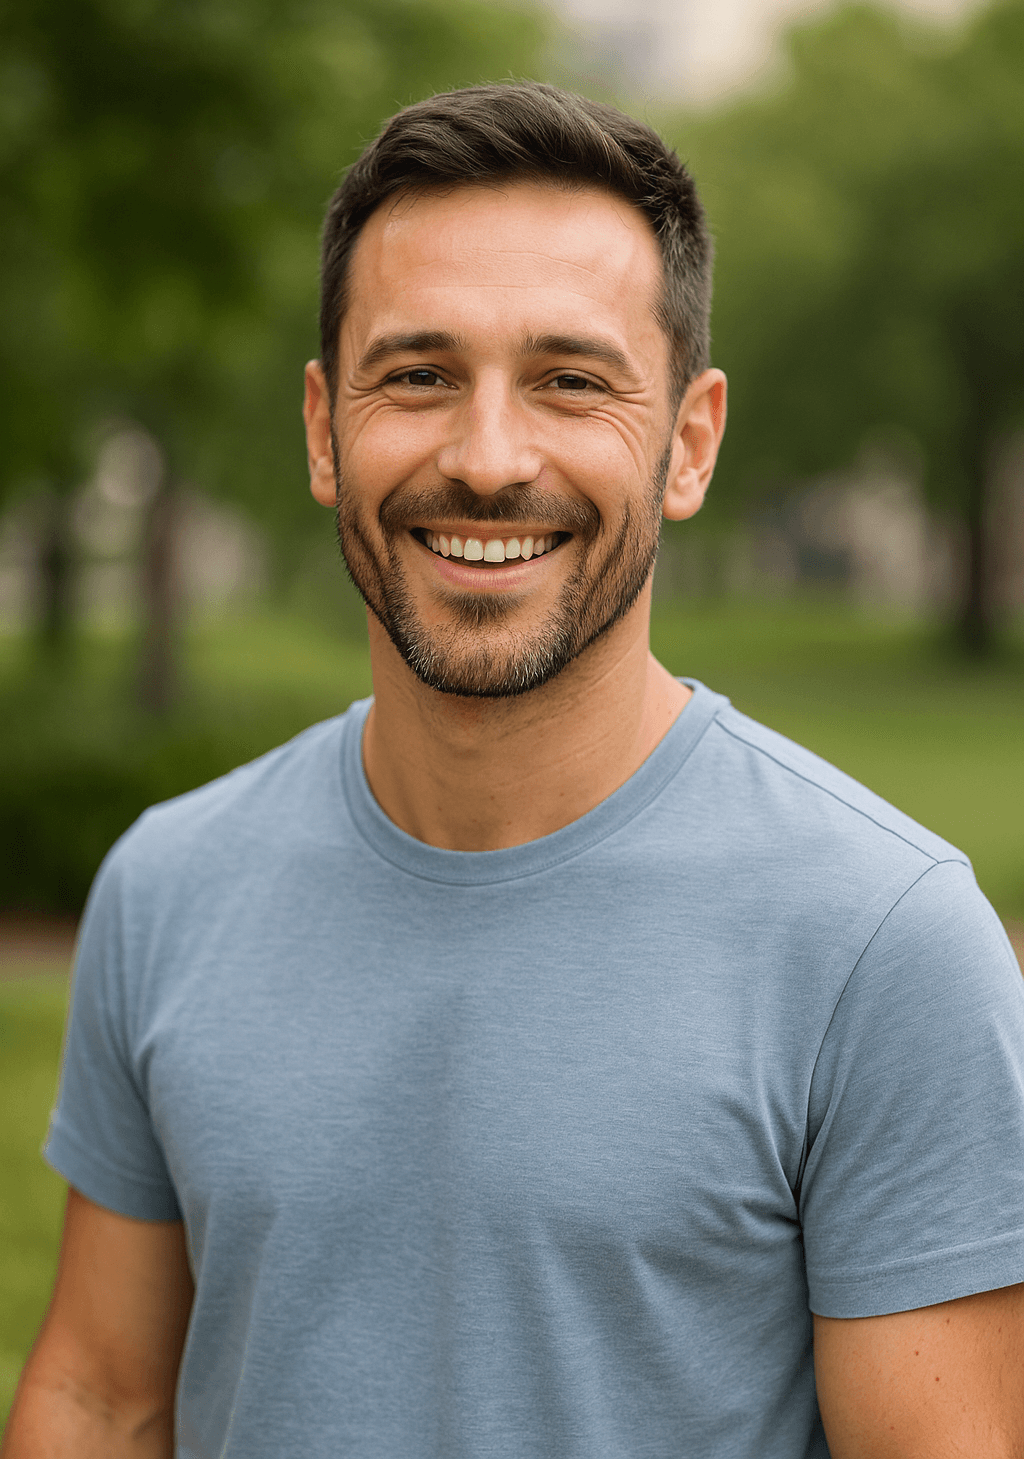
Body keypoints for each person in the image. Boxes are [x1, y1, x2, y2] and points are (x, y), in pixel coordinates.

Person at [4, 82, 1024, 1459]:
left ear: (692, 441)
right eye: (418, 375)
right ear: (322, 430)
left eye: (571, 380)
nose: (488, 459)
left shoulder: (885, 943)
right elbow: (104, 1397)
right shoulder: (170, 885)